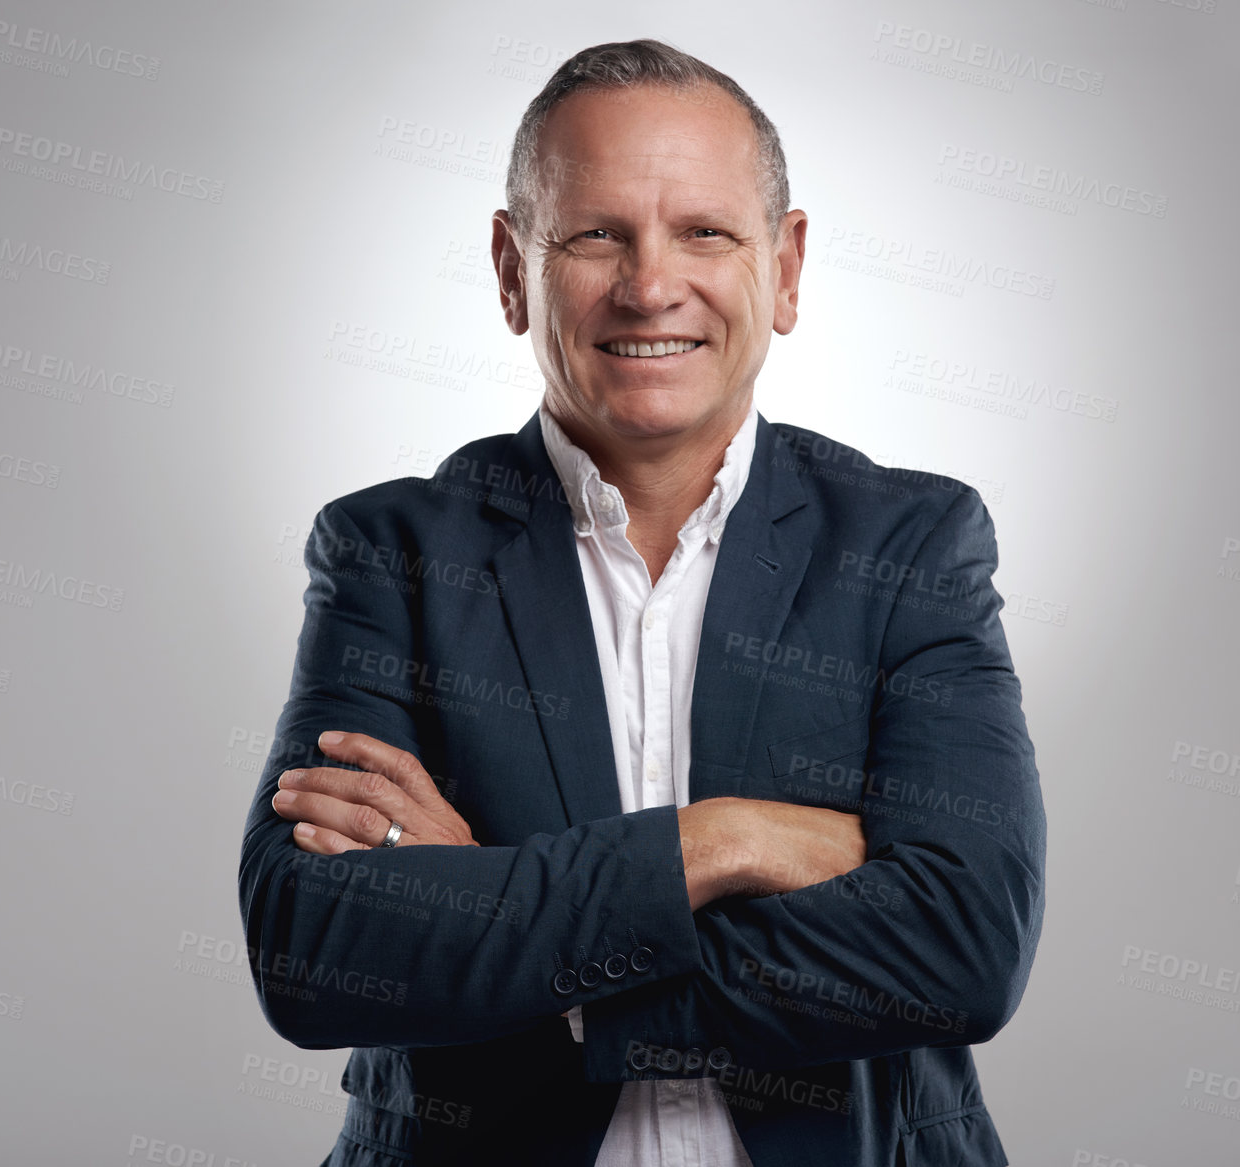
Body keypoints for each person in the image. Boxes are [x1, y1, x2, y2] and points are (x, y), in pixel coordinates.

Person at [238, 38, 1045, 1167]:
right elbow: (311, 950)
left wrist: (501, 919)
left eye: (704, 231)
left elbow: (961, 947)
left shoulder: (909, 543)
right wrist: (725, 842)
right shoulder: (392, 553)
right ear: (512, 270)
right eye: (595, 233)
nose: (649, 284)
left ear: (788, 266)